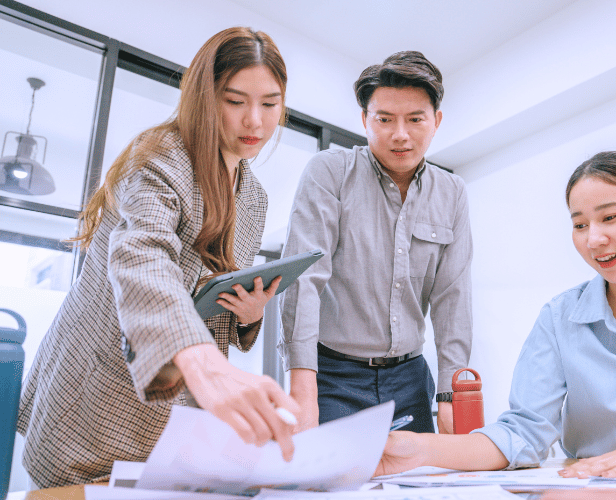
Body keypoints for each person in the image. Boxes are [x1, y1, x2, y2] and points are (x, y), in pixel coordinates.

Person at [16, 27, 299, 488]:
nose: (255, 121)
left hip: (175, 415)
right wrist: (205, 362)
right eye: (235, 101)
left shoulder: (255, 199)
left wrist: (249, 316)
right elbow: (143, 256)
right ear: (204, 98)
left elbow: (213, 297)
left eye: (270, 104)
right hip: (96, 395)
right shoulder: (159, 158)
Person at [376, 150, 616, 478]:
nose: (593, 239)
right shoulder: (559, 318)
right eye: (580, 224)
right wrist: (417, 449)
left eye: (610, 218)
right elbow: (523, 433)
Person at [279, 51, 473, 435]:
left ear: (435, 122)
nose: (400, 134)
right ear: (365, 120)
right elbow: (304, 281)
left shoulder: (452, 192)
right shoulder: (329, 172)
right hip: (333, 376)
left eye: (415, 119)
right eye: (384, 119)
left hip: (411, 379)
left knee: (423, 490)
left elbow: (454, 298)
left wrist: (451, 395)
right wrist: (302, 393)